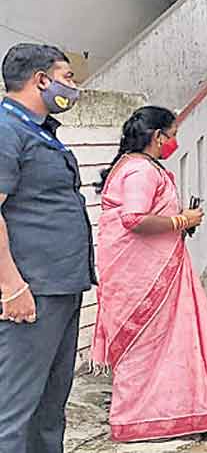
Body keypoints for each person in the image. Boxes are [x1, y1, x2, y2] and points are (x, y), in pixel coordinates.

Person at [91, 106, 207, 441]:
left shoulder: (137, 166)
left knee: (172, 343)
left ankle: (181, 411)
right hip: (142, 281)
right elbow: (134, 219)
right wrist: (183, 221)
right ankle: (142, 419)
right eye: (172, 135)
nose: (175, 142)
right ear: (157, 136)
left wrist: (180, 223)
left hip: (156, 271)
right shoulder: (140, 170)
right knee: (150, 347)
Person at [0, 44, 93, 453]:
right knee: (14, 413)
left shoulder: (40, 131)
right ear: (41, 79)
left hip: (60, 288)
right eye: (67, 77)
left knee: (50, 407)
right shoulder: (6, 130)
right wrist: (12, 287)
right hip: (30, 293)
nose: (73, 87)